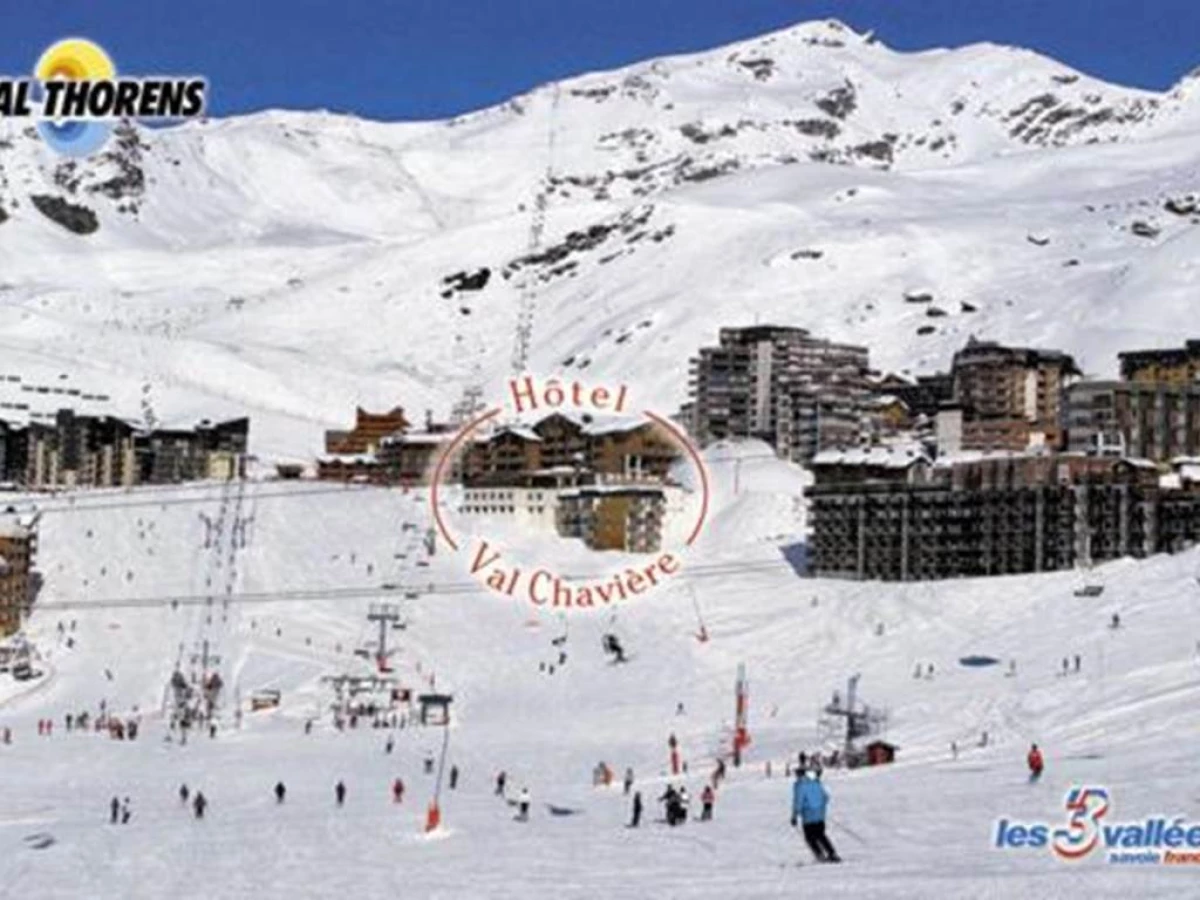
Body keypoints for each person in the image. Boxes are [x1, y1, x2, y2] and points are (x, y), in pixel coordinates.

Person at [792, 769, 840, 863]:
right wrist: (820, 808)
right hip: (820, 815)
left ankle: (819, 854)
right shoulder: (816, 783)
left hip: (808, 816)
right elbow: (826, 797)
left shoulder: (800, 786)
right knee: (821, 835)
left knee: (809, 837)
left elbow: (798, 802)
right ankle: (832, 853)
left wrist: (794, 816)